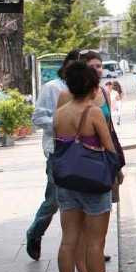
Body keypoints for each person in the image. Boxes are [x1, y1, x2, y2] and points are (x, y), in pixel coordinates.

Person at [51, 61, 131, 272]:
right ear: (93, 86)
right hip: (93, 183)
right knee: (96, 242)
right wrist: (116, 173)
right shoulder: (93, 112)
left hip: (66, 182)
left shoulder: (60, 113)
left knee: (68, 241)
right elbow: (109, 149)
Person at [25, 49, 81, 261]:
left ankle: (85, 251)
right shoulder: (52, 88)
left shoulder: (85, 89)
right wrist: (62, 124)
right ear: (66, 66)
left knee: (82, 202)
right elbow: (38, 118)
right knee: (54, 199)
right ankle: (35, 232)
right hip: (58, 151)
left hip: (83, 153)